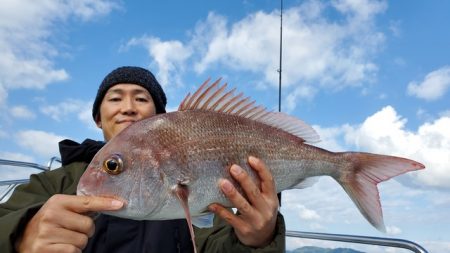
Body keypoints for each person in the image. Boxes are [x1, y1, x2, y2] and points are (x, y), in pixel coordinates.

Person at [0, 66, 286, 253]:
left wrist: (259, 240)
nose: (127, 108)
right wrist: (20, 236)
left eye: (140, 98)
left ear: (159, 116)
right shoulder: (57, 182)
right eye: (114, 98)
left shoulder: (185, 178)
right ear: (98, 118)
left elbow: (216, 243)